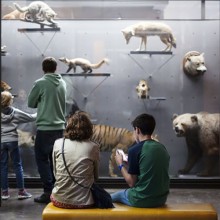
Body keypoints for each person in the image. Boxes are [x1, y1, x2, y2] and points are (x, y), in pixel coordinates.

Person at [28, 57, 66, 203]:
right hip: (59, 129)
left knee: (42, 160)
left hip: (44, 129)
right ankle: (57, 190)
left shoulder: (40, 83)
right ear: (56, 68)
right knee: (56, 161)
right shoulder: (62, 83)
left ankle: (47, 191)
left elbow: (31, 103)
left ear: (43, 69)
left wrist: (42, 101)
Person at [111, 113, 170, 208]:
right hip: (161, 199)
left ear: (137, 130)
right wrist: (130, 161)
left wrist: (120, 164)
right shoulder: (162, 148)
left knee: (110, 197)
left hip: (141, 199)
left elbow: (131, 183)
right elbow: (149, 167)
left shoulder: (135, 150)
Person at [51, 111, 100, 208]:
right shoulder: (93, 147)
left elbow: (55, 173)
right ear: (89, 129)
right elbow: (96, 176)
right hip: (85, 202)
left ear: (68, 127)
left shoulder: (58, 143)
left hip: (59, 200)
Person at [1, 91, 36, 200]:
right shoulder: (15, 112)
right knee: (17, 165)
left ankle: (4, 193)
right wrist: (41, 109)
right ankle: (21, 191)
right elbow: (31, 117)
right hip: (12, 141)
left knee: (3, 166)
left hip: (1, 141)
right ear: (10, 101)